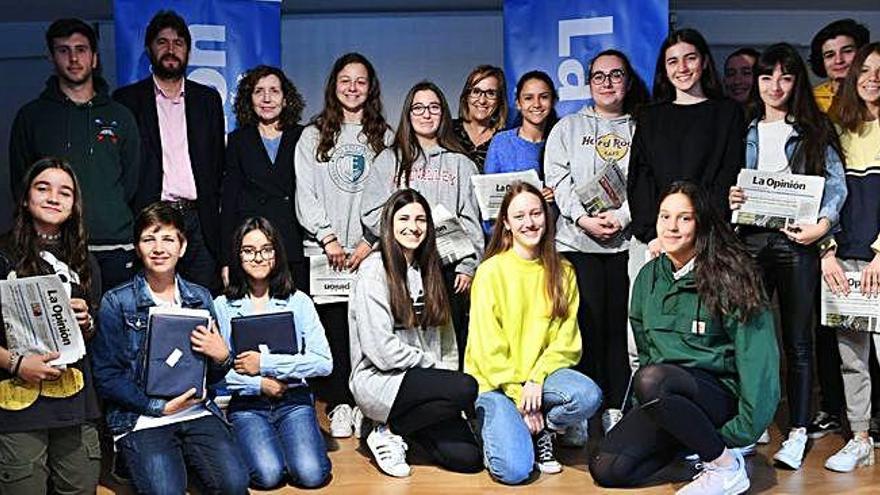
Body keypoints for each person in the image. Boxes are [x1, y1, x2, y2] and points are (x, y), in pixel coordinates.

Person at [590, 182, 780, 495]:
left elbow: (759, 364)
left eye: (684, 218)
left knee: (653, 378)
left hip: (718, 397)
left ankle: (725, 466)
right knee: (608, 469)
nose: (672, 227)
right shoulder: (648, 277)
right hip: (666, 398)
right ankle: (694, 444)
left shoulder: (732, 276)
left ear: (701, 223)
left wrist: (741, 431)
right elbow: (647, 350)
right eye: (665, 217)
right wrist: (649, 412)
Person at [728, 43, 847, 470]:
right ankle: (755, 420)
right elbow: (729, 181)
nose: (774, 86)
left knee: (799, 341)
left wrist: (823, 225)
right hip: (751, 242)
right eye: (766, 77)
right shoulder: (742, 128)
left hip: (797, 242)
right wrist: (732, 195)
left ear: (797, 82)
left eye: (785, 77)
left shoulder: (815, 130)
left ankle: (797, 430)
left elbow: (836, 186)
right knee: (752, 337)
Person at [90, 202, 249, 494]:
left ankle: (180, 457)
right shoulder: (117, 302)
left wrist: (223, 356)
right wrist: (158, 407)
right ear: (138, 248)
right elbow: (107, 376)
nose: (159, 248)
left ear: (183, 246)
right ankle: (132, 457)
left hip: (196, 412)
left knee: (236, 486)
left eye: (168, 239)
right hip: (142, 418)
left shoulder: (200, 297)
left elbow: (212, 377)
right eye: (149, 239)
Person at [465, 182, 602, 484]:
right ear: (506, 225)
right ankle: (493, 428)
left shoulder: (563, 271)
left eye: (536, 213)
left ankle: (547, 429)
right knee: (514, 471)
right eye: (519, 216)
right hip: (497, 384)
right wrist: (520, 398)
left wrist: (537, 380)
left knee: (588, 396)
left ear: (546, 216)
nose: (529, 222)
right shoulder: (490, 272)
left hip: (541, 381)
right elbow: (488, 350)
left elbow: (567, 342)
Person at [544, 49, 648, 435]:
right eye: (599, 76)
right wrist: (584, 218)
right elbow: (556, 180)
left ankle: (614, 407)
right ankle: (581, 412)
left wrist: (621, 217)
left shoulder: (642, 127)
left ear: (627, 80)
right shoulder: (567, 127)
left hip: (626, 245)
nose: (607, 83)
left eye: (615, 75)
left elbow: (646, 181)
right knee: (583, 327)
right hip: (575, 243)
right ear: (589, 83)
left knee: (620, 331)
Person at [349, 189, 482, 478]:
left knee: (468, 459)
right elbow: (380, 351)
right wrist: (436, 372)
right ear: (389, 223)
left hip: (418, 380)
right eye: (404, 218)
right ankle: (383, 427)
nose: (413, 226)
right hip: (380, 379)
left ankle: (395, 428)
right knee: (465, 387)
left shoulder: (429, 269)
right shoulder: (374, 269)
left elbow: (440, 338)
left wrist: (440, 378)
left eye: (421, 219)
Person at [294, 52, 392, 439]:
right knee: (332, 330)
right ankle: (339, 404)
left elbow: (391, 193)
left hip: (368, 252)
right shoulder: (312, 135)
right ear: (334, 86)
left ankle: (367, 402)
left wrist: (369, 241)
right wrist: (329, 237)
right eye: (345, 80)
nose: (353, 88)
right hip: (325, 252)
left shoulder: (384, 136)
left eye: (361, 81)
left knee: (368, 329)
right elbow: (306, 193)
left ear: (371, 88)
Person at [9, 18, 141, 293]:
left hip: (115, 246)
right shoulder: (31, 116)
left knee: (116, 331)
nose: (73, 58)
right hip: (55, 248)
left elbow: (132, 181)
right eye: (63, 50)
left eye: (81, 49)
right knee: (62, 329)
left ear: (94, 58)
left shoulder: (120, 115)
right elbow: (22, 183)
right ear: (51, 56)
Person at [361, 81, 483, 366]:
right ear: (408, 113)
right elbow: (369, 212)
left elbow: (471, 223)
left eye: (433, 107)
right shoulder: (389, 160)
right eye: (418, 108)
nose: (426, 114)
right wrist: (408, 227)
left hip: (447, 267)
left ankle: (453, 396)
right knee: (405, 336)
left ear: (443, 114)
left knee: (449, 340)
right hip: (400, 264)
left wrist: (468, 265)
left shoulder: (461, 164)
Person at [0, 158, 101, 495]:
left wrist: (86, 323)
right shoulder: (2, 254)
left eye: (65, 192)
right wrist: (16, 363)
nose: (53, 197)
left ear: (74, 206)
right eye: (43, 188)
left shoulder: (85, 259)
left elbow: (90, 333)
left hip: (74, 400)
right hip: (18, 400)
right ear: (26, 198)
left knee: (82, 486)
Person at [214, 217, 332, 488]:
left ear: (277, 253)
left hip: (294, 400)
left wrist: (265, 363)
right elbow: (217, 374)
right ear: (238, 255)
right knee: (267, 476)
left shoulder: (298, 302)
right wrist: (260, 384)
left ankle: (295, 444)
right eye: (249, 250)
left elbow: (324, 363)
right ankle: (254, 443)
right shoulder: (221, 305)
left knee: (311, 475)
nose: (258, 257)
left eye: (266, 249)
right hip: (247, 405)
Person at [113, 10, 225, 293]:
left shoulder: (207, 100)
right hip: (152, 217)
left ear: (188, 50)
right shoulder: (126, 101)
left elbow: (217, 164)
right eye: (162, 42)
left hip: (199, 221)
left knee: (202, 301)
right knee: (151, 303)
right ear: (149, 48)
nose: (171, 49)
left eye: (178, 42)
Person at [808, 18, 871, 441]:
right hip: (832, 243)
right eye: (829, 54)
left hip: (870, 246)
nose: (840, 62)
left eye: (848, 52)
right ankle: (838, 413)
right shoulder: (818, 109)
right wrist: (825, 245)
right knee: (836, 336)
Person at [822, 42, 880, 472]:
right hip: (845, 262)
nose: (872, 77)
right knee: (852, 356)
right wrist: (827, 252)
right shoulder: (835, 131)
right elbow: (824, 198)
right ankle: (860, 437)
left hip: (879, 260)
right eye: (866, 69)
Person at [221, 66, 307, 290]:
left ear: (286, 99)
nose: (267, 98)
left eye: (274, 91)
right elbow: (229, 202)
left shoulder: (304, 136)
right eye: (259, 91)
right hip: (253, 246)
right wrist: (227, 260)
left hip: (292, 242)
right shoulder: (238, 141)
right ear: (249, 99)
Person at [452, 65, 509, 171]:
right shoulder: (447, 131)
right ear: (466, 96)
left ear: (499, 100)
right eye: (476, 92)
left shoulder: (506, 141)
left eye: (491, 93)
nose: (482, 100)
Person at [810, 19, 870, 113]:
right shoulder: (811, 100)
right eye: (830, 55)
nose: (839, 60)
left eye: (847, 51)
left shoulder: (875, 94)